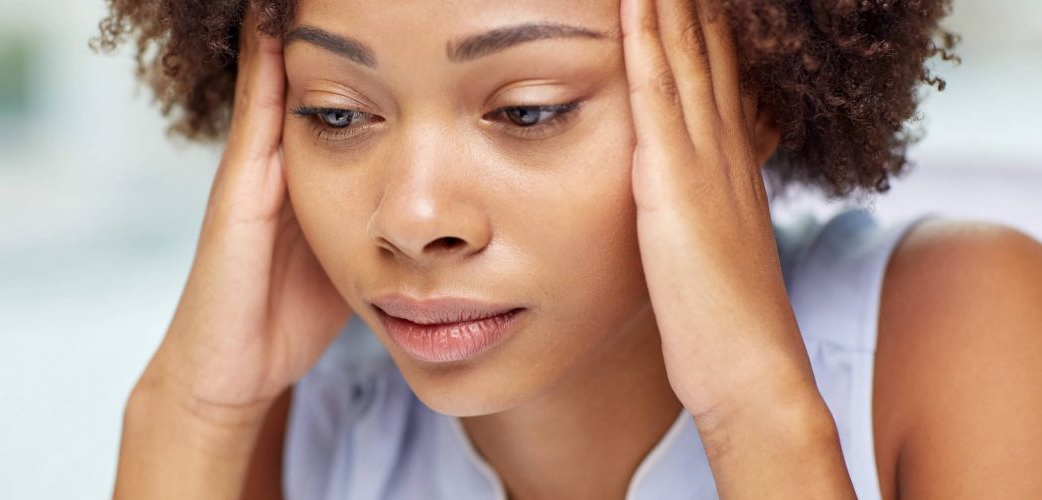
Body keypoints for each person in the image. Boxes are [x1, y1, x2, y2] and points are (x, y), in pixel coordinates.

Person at [99, 0, 1042, 498]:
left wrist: (757, 414)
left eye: (529, 110)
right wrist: (190, 411)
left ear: (751, 99)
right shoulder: (289, 417)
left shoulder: (963, 334)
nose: (414, 215)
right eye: (337, 114)